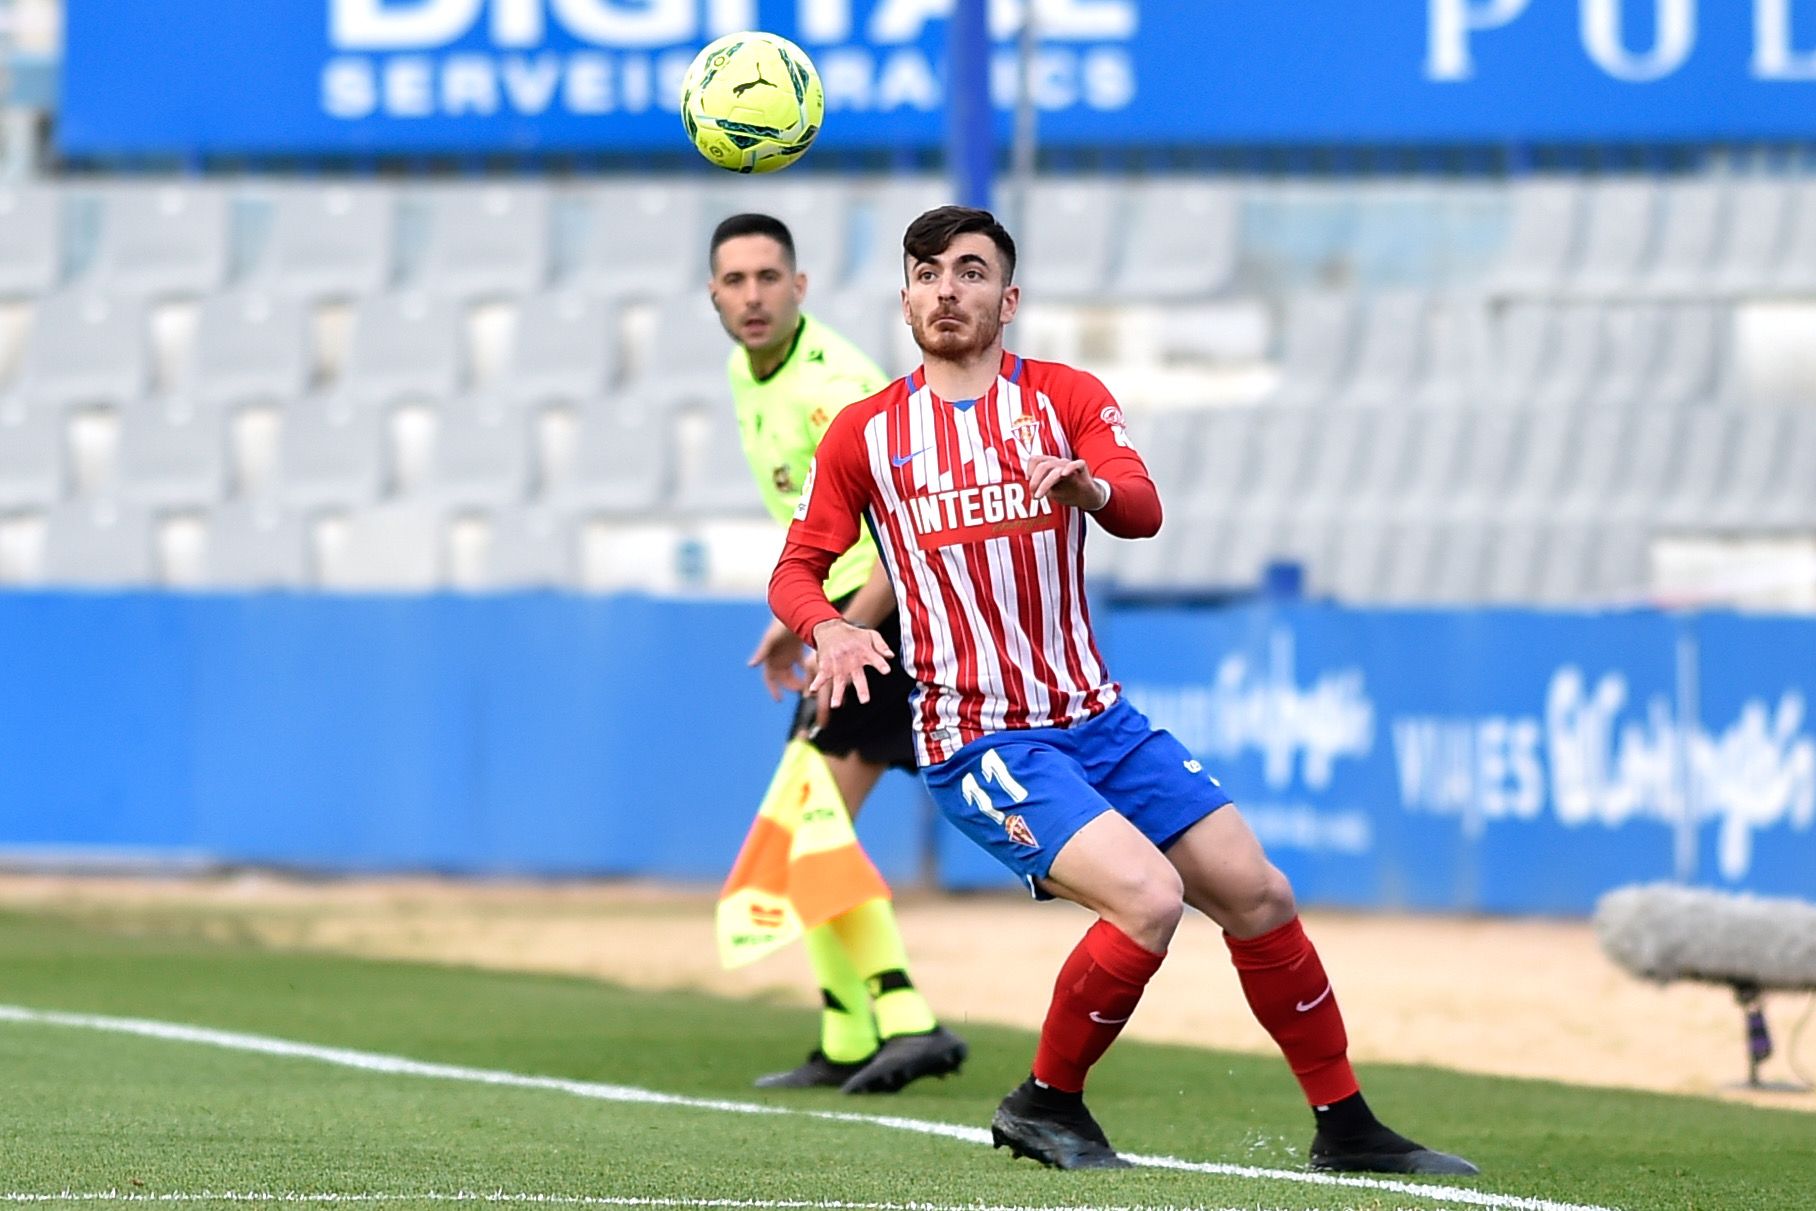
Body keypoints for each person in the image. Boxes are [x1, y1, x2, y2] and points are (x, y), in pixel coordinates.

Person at [766, 205, 1478, 1174]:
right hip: (978, 737)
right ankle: (1045, 1100)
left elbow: (1140, 506)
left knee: (1260, 893)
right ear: (904, 299)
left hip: (1096, 717)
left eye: (970, 271)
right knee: (1149, 897)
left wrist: (1089, 492)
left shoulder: (1064, 397)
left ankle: (1345, 1124)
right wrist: (832, 624)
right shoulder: (866, 433)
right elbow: (796, 567)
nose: (947, 288)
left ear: (1006, 298)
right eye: (928, 272)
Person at [708, 212, 967, 1094]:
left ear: (800, 287)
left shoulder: (839, 385)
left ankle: (906, 1019)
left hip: (887, 614)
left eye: (767, 278)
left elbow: (906, 534)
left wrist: (838, 628)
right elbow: (821, 519)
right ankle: (853, 1029)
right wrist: (800, 615)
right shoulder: (746, 374)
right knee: (810, 823)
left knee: (809, 816)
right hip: (842, 614)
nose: (752, 296)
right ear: (713, 294)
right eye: (734, 281)